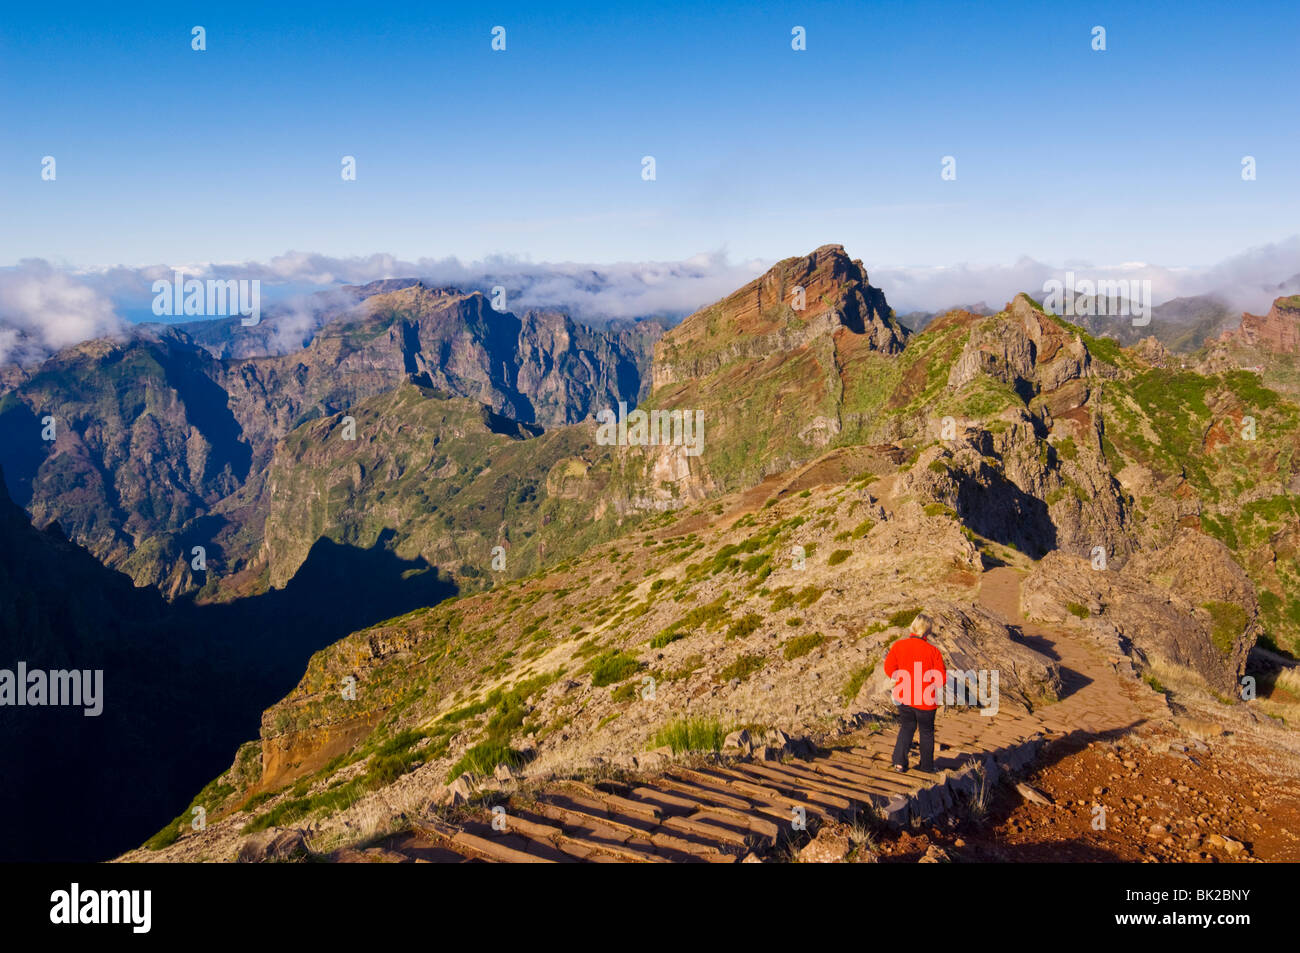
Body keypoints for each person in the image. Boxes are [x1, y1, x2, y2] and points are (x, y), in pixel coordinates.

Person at [883, 612, 947, 773]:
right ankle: (926, 767)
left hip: (904, 697)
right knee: (926, 733)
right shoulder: (933, 651)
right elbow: (941, 679)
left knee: (906, 728)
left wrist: (903, 678)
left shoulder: (899, 646)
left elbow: (889, 668)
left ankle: (899, 763)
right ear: (926, 631)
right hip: (925, 701)